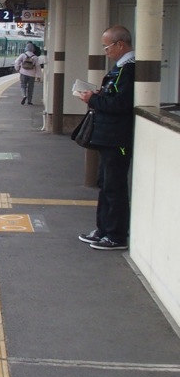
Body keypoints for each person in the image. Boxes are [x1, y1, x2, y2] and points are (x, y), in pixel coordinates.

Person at [77, 25, 135, 250]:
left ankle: (116, 236)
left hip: (117, 138)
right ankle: (103, 230)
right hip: (109, 137)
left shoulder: (128, 70)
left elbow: (121, 104)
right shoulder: (120, 68)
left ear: (120, 45)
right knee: (105, 184)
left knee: (114, 187)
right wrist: (98, 95)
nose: (105, 51)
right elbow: (114, 98)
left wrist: (93, 99)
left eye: (106, 46)